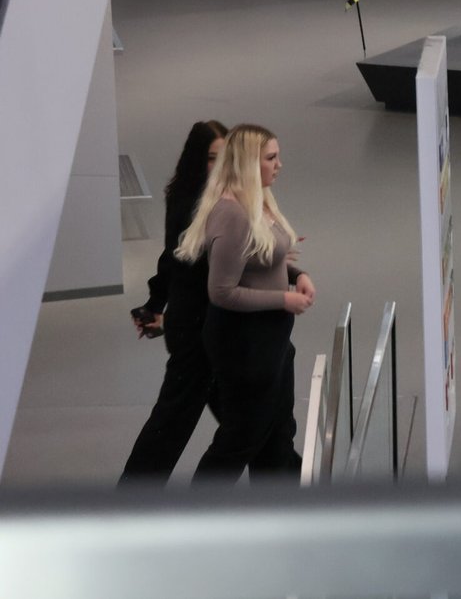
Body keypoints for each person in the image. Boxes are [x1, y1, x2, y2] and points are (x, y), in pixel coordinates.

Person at [175, 124, 315, 482]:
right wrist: (284, 299)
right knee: (241, 438)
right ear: (248, 164)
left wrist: (297, 274)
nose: (279, 165)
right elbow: (222, 291)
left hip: (272, 341)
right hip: (246, 346)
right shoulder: (232, 214)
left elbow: (263, 257)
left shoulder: (259, 202)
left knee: (278, 435)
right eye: (271, 158)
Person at [119, 120, 227, 484]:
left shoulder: (214, 198)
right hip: (197, 332)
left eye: (226, 157)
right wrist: (161, 308)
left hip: (207, 326)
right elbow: (182, 263)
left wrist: (156, 305)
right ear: (197, 160)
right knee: (173, 423)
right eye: (212, 158)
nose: (220, 166)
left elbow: (171, 259)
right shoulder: (193, 205)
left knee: (248, 423)